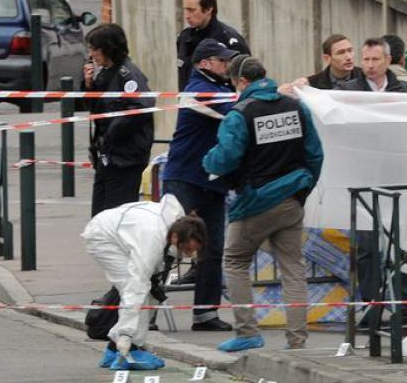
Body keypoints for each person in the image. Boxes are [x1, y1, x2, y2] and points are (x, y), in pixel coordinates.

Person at [203, 55, 324, 351]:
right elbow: (315, 154)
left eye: (234, 84)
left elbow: (225, 158)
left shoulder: (240, 114)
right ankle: (297, 341)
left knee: (234, 261)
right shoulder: (296, 107)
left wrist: (207, 160)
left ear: (242, 82)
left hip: (255, 202)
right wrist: (303, 189)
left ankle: (247, 333)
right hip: (292, 198)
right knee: (293, 270)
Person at [82, 194, 206, 370]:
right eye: (186, 249)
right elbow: (136, 286)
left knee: (146, 290)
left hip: (115, 228)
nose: (188, 255)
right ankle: (128, 350)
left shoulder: (175, 227)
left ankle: (114, 349)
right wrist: (126, 334)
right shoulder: (152, 238)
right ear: (176, 238)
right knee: (134, 287)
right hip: (104, 237)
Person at [163, 38, 237, 332]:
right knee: (167, 247)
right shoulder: (198, 89)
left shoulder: (222, 88)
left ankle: (205, 314)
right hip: (185, 178)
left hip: (212, 183)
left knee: (213, 248)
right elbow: (233, 111)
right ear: (206, 64)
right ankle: (149, 311)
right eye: (223, 60)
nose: (228, 65)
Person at [82, 23, 154, 217]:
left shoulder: (128, 75)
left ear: (108, 48)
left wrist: (112, 133)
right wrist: (89, 86)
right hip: (106, 157)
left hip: (125, 159)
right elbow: (97, 109)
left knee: (116, 217)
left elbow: (141, 108)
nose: (92, 54)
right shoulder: (106, 72)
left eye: (95, 49)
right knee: (99, 218)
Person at [177, 0, 250, 91]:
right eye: (185, 10)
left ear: (208, 10)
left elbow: (247, 79)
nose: (186, 15)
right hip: (188, 104)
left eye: (191, 10)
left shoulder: (230, 40)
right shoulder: (184, 38)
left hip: (222, 106)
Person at [278, 34, 364, 96]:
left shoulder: (367, 78)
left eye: (350, 50)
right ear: (327, 58)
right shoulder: (312, 84)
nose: (349, 57)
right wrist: (282, 92)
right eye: (341, 53)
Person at [336, 38, 407, 92]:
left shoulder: (406, 90)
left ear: (388, 60)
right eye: (366, 59)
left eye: (375, 59)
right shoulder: (346, 91)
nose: (370, 65)